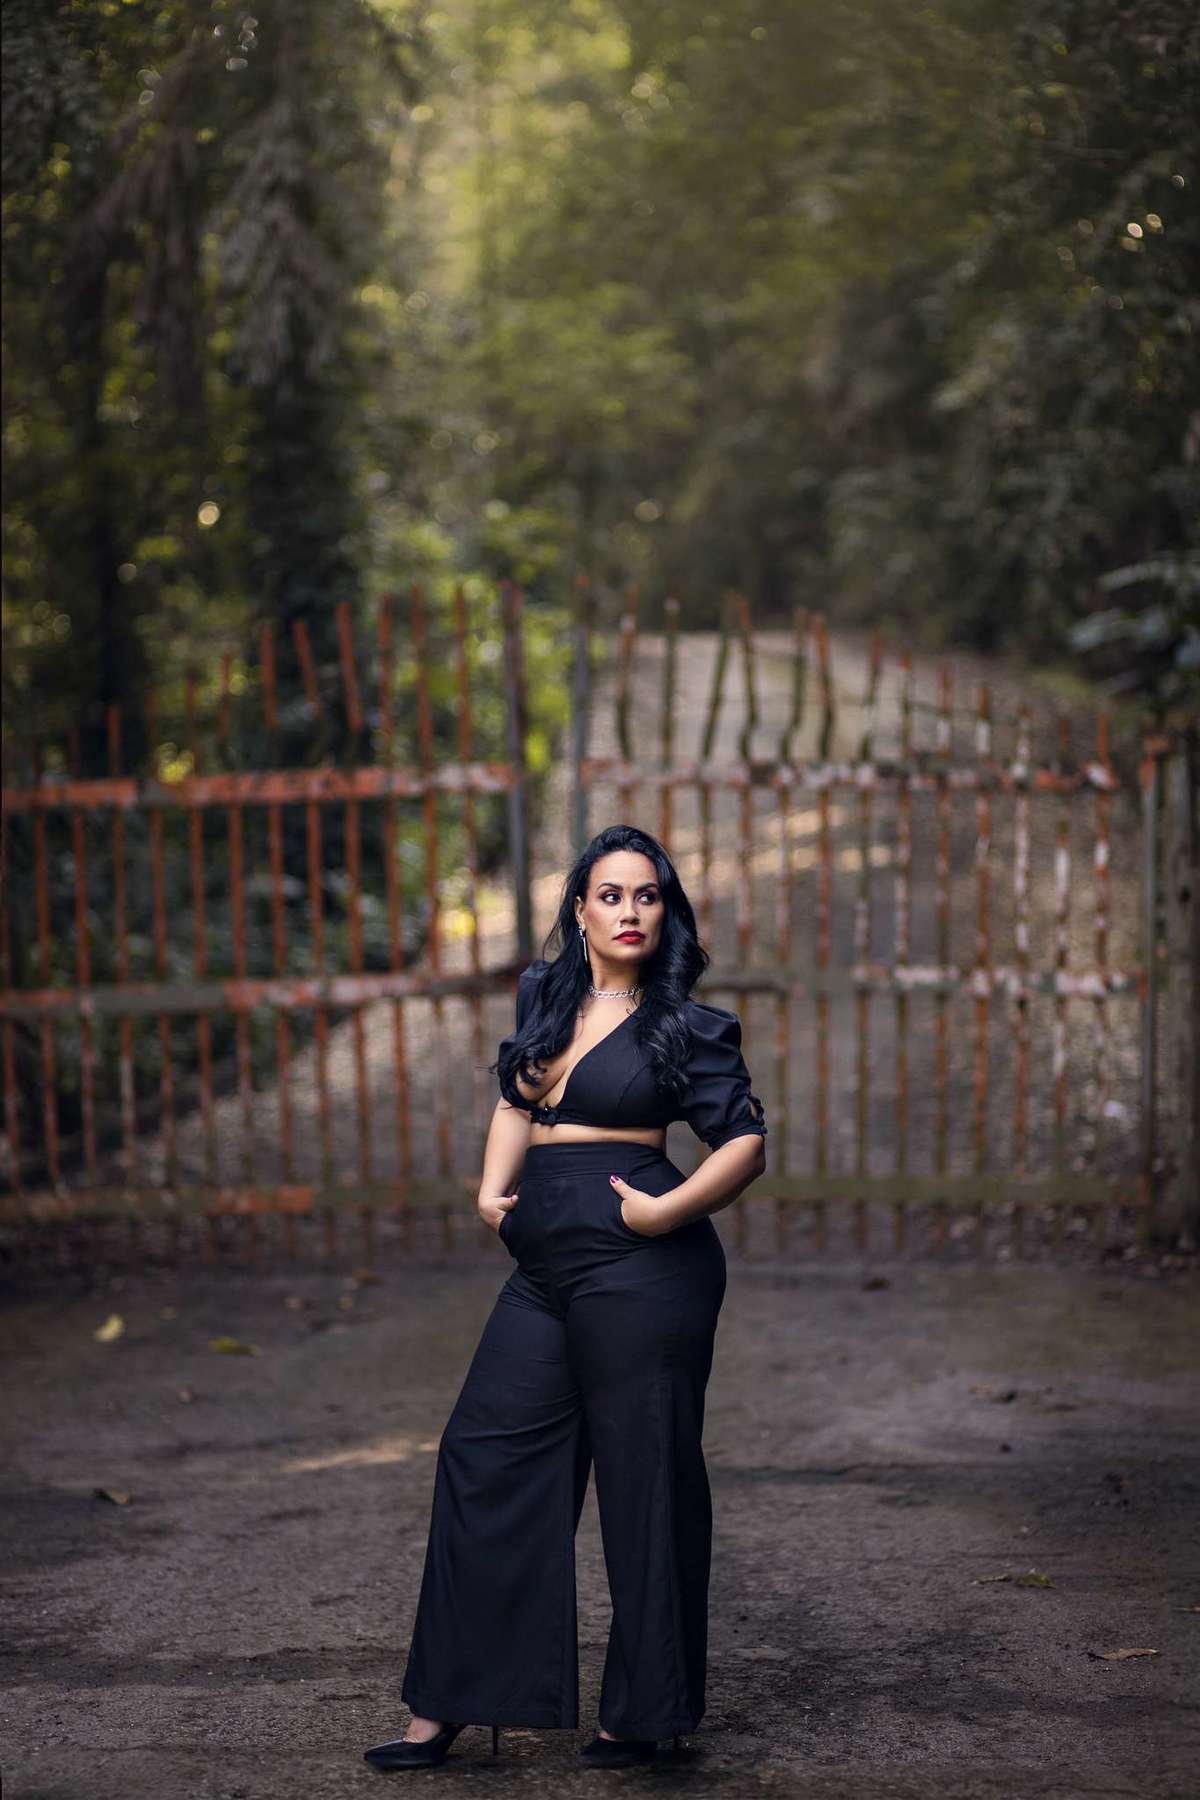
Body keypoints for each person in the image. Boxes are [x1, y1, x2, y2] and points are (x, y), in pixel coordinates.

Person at [364, 824, 767, 1771]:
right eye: (611, 895)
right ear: (580, 909)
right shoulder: (544, 992)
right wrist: (489, 1191)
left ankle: (644, 1715)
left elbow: (745, 1144)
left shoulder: (687, 1025)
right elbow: (516, 1100)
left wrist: (664, 1212)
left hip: (642, 1266)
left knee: (644, 1480)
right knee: (483, 1452)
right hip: (544, 1262)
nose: (630, 912)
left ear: (665, 914)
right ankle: (453, 1700)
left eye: (647, 896)